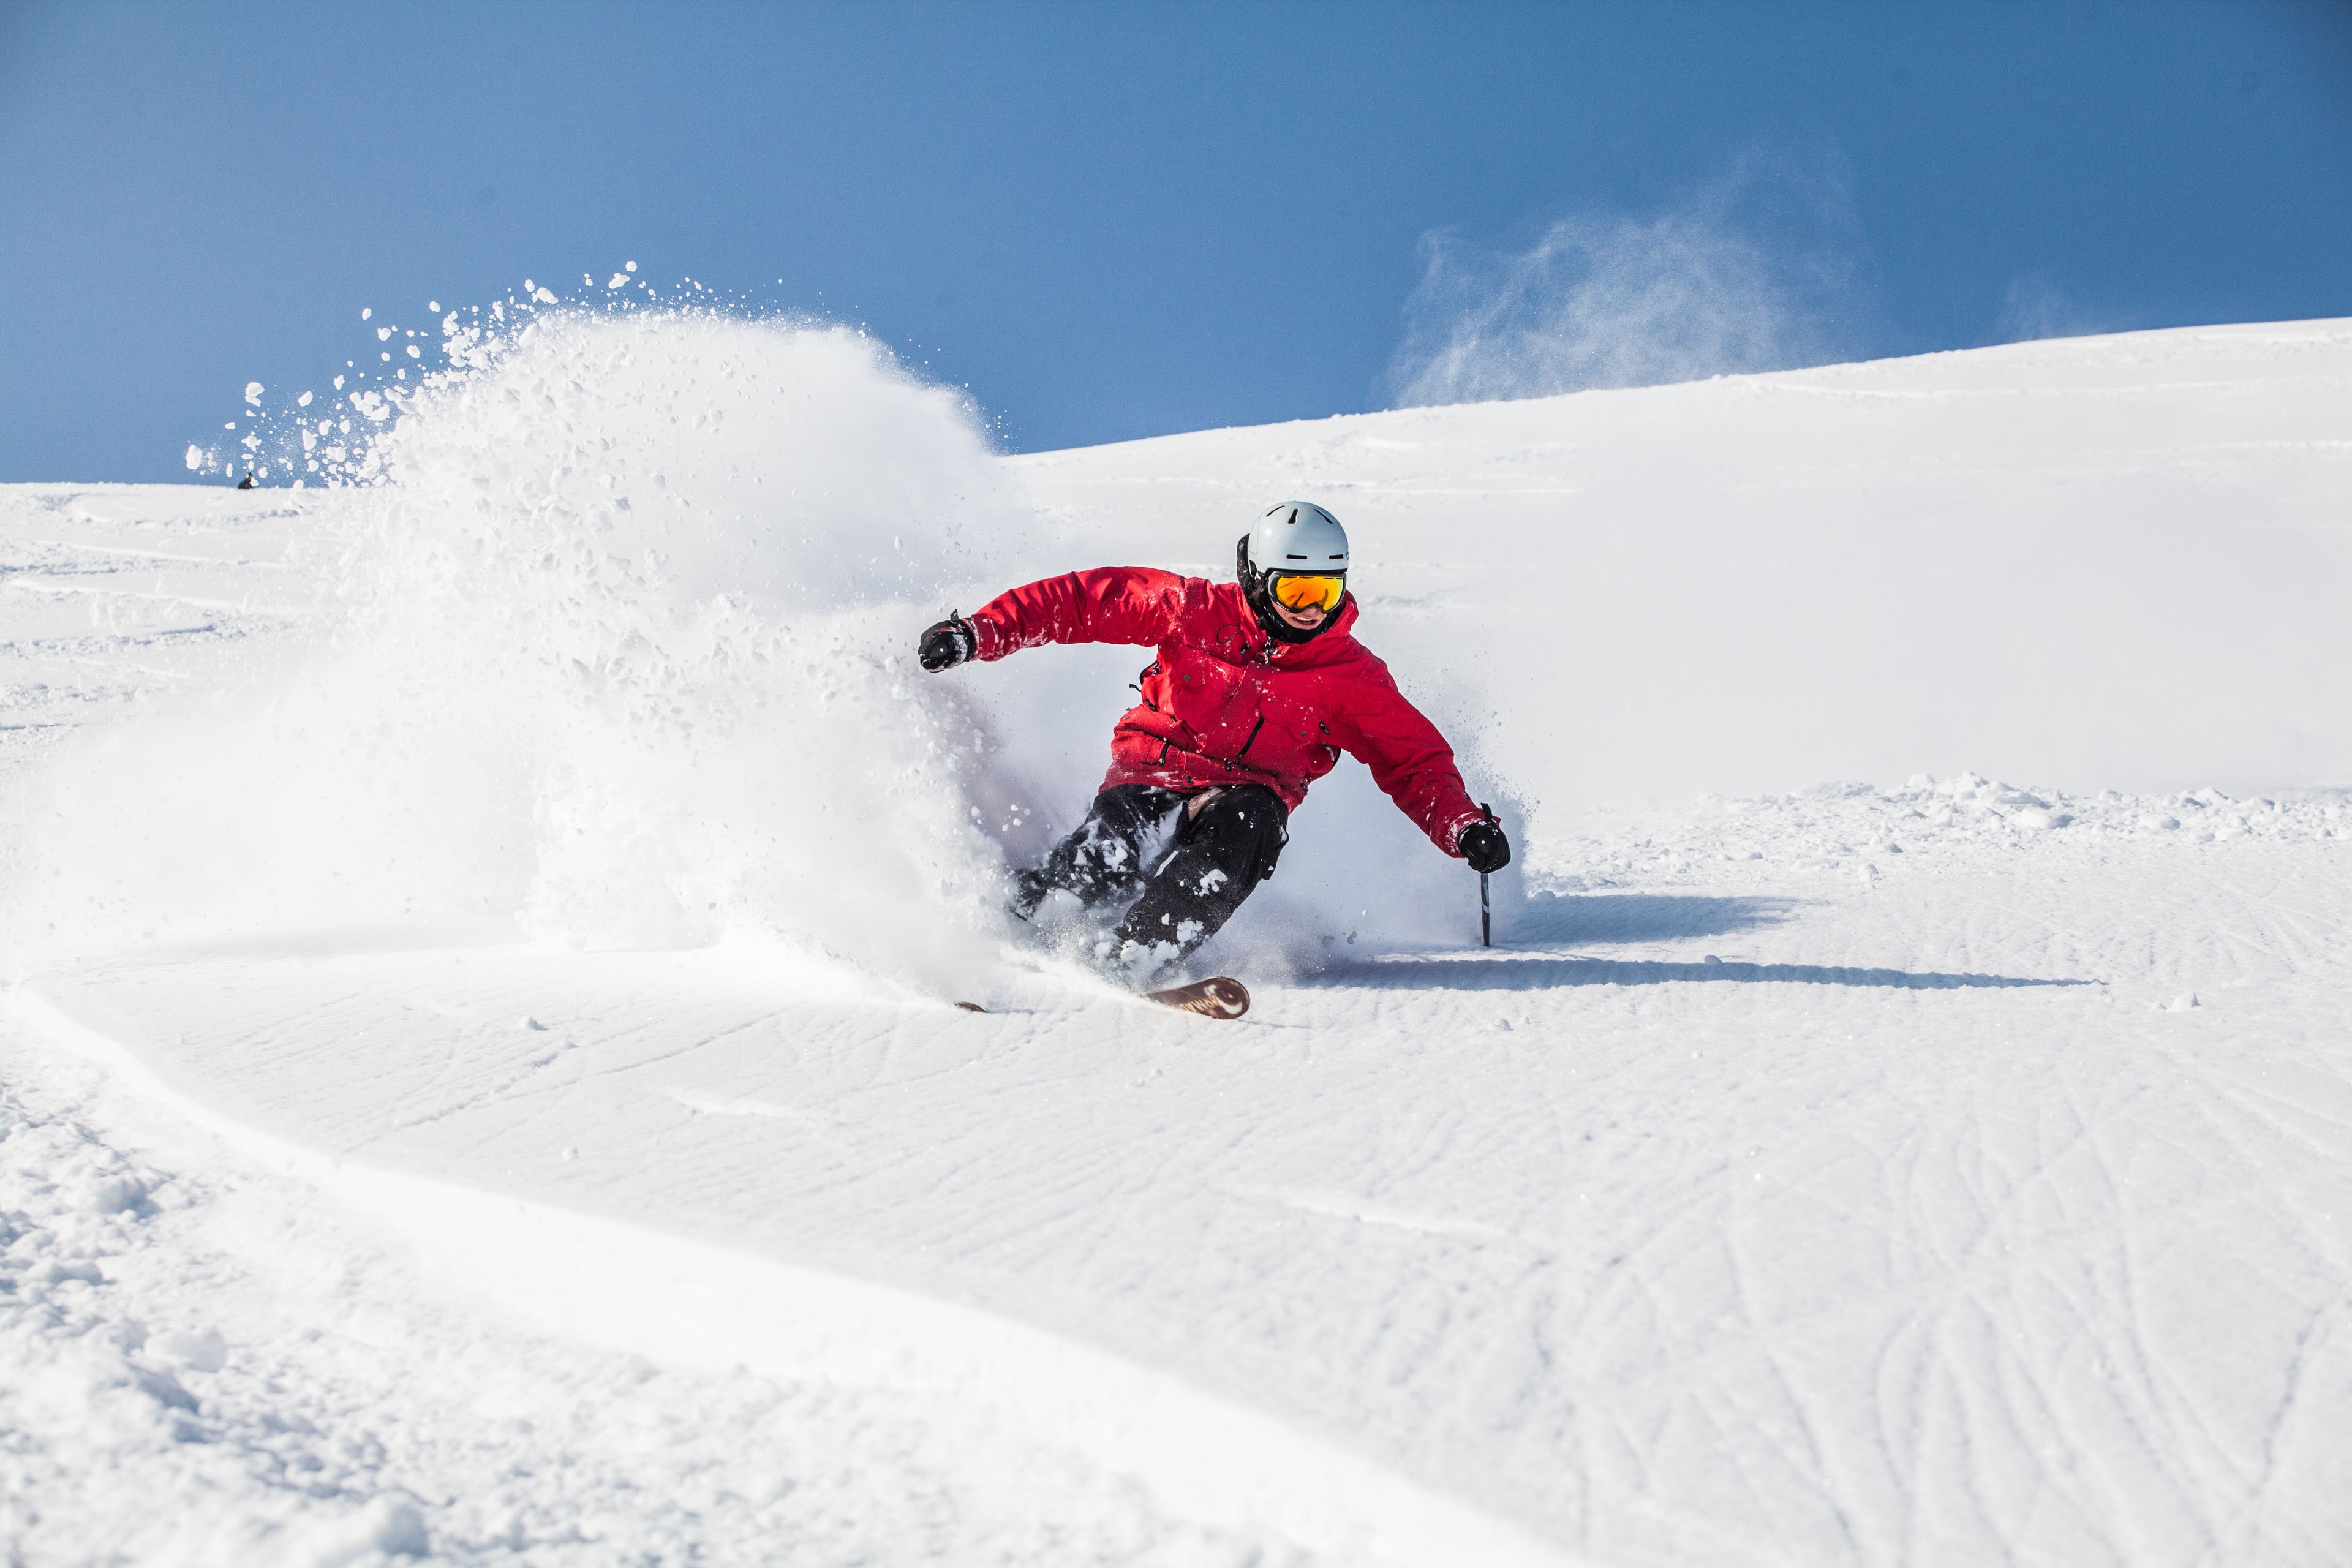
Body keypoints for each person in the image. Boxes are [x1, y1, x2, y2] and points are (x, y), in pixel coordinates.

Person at [917, 500, 1510, 979]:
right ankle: (1029, 917)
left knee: (1251, 824)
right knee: (1114, 849)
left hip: (1250, 794)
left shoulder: (1351, 676)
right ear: (1257, 578)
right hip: (1154, 772)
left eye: (1324, 593)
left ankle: (1138, 950)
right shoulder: (1192, 610)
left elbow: (1414, 759)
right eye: (1295, 592)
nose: (1309, 611)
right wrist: (978, 632)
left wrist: (1461, 825)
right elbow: (1084, 601)